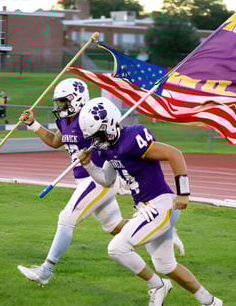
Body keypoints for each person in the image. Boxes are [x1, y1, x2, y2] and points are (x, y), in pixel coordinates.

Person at [16, 79, 184, 286]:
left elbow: (110, 140)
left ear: (77, 100)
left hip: (98, 179)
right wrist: (33, 124)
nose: (60, 107)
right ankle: (163, 232)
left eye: (63, 102)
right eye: (58, 103)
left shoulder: (89, 119)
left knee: (67, 218)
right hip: (84, 179)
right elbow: (54, 141)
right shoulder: (66, 120)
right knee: (114, 226)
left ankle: (46, 270)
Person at [77, 97, 223, 306]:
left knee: (117, 248)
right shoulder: (107, 148)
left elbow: (174, 154)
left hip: (160, 203)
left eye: (98, 135)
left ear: (109, 124)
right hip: (146, 208)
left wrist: (183, 193)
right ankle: (211, 302)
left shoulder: (132, 138)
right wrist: (90, 165)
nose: (96, 141)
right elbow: (107, 180)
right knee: (166, 266)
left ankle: (158, 285)